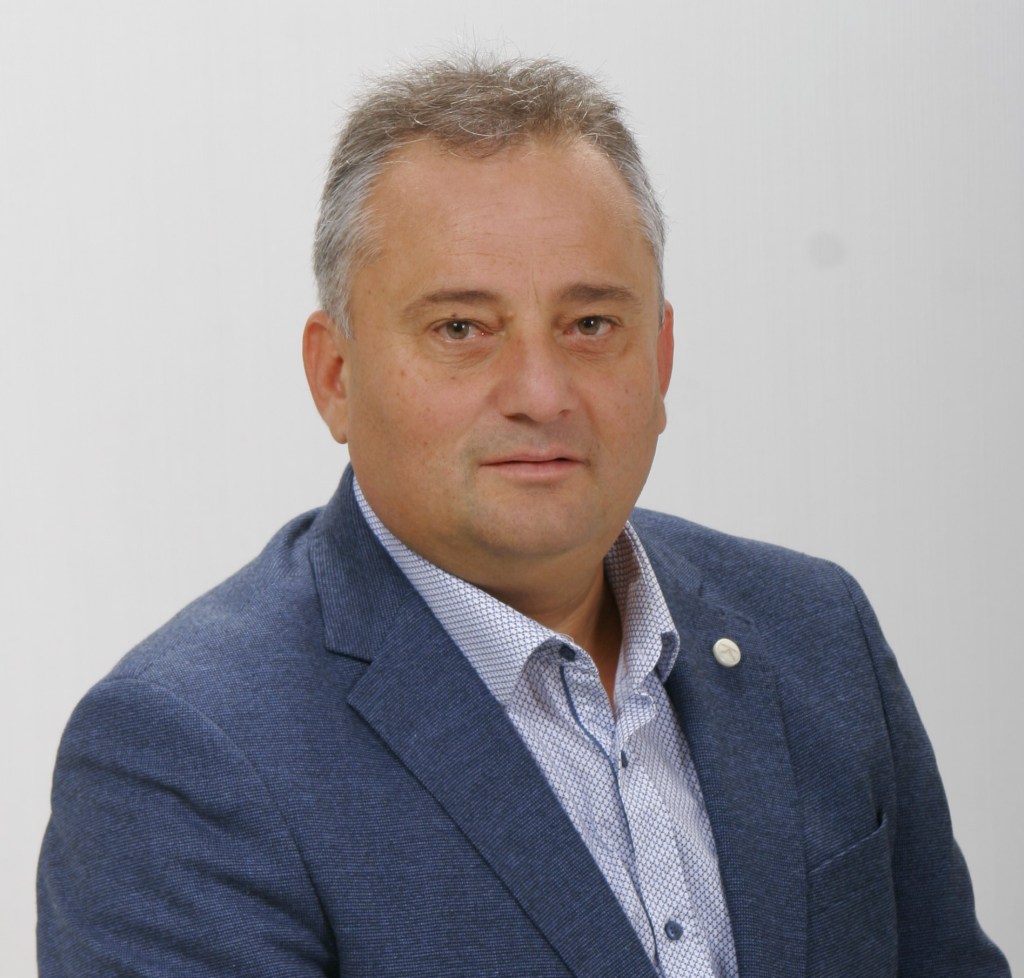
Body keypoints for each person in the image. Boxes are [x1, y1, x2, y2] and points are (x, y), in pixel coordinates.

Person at [37, 54, 1009, 978]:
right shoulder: (186, 751)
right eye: (461, 328)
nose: (542, 393)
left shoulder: (815, 632)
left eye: (590, 325)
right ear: (334, 376)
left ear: (661, 357)